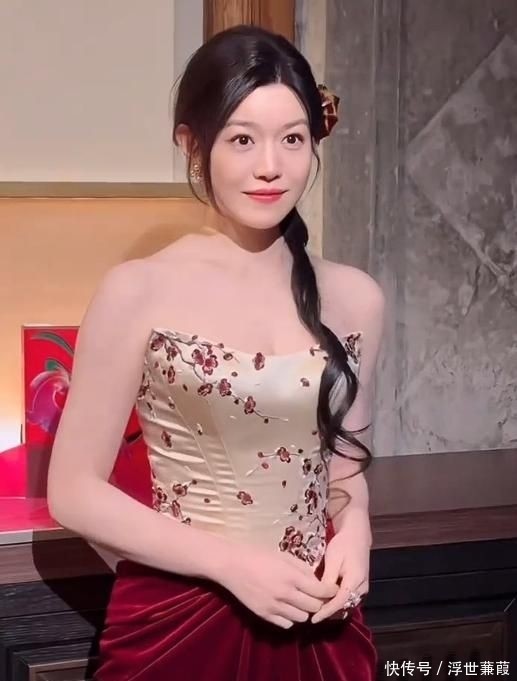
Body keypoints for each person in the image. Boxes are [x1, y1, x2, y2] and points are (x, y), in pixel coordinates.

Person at [47, 24, 385, 681]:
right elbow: (73, 491)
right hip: (181, 622)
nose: (270, 166)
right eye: (242, 139)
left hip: (316, 617)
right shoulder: (137, 290)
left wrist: (358, 529)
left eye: (292, 139)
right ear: (191, 144)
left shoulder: (356, 299)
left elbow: (343, 474)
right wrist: (232, 564)